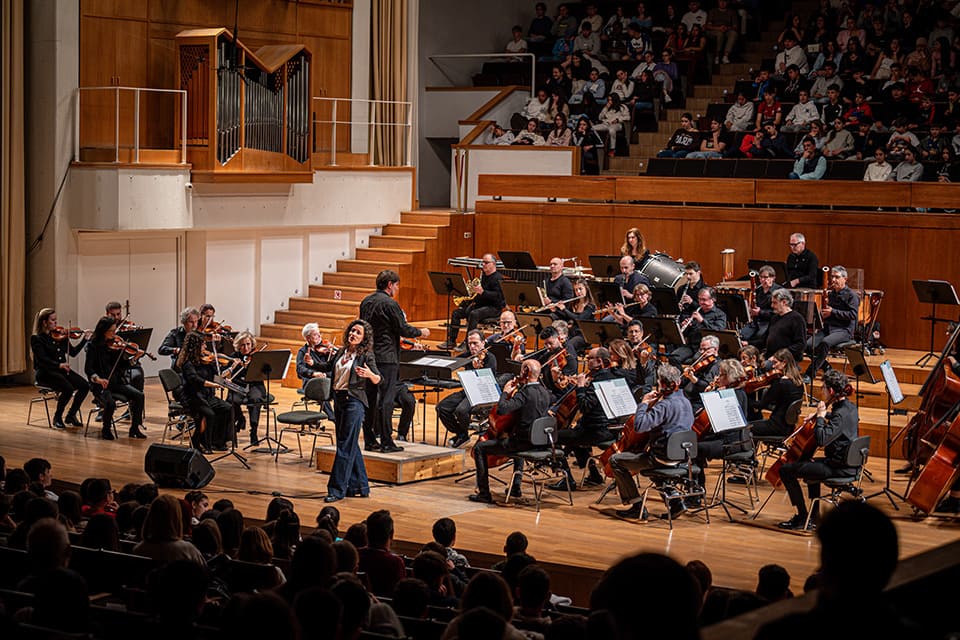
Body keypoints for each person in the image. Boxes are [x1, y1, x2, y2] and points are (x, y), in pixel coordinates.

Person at [609, 364, 695, 520]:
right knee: (653, 460)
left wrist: (643, 403)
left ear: (661, 384)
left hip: (661, 459)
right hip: (682, 458)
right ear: (678, 383)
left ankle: (636, 506)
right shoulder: (686, 402)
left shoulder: (664, 405)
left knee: (616, 460)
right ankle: (675, 503)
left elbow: (640, 426)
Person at [777, 369, 859, 530]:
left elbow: (822, 439)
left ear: (831, 391)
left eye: (823, 388)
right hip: (844, 462)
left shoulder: (840, 414)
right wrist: (822, 415)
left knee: (786, 470)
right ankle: (814, 517)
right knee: (808, 465)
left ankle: (802, 517)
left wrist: (820, 417)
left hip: (838, 467)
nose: (821, 390)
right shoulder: (850, 407)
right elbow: (839, 422)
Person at [361, 270, 429, 453]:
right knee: (386, 400)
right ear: (390, 285)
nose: (397, 289)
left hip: (369, 356)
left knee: (370, 399)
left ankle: (369, 440)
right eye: (397, 285)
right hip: (387, 358)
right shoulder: (390, 303)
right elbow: (402, 328)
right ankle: (386, 442)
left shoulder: (366, 301)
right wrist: (420, 332)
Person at [469, 359, 551, 504]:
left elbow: (502, 409)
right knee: (517, 436)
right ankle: (516, 486)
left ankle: (484, 493)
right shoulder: (544, 392)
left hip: (524, 443)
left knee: (479, 448)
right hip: (540, 442)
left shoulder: (525, 393)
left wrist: (505, 393)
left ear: (525, 372)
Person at [322, 320, 381, 502]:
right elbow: (328, 368)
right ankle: (361, 486)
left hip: (354, 402)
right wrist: (312, 363)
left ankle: (336, 490)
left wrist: (369, 375)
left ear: (364, 338)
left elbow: (379, 378)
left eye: (358, 332)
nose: (353, 334)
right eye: (352, 330)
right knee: (349, 443)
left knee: (345, 446)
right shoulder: (341, 352)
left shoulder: (366, 356)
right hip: (339, 401)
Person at [550, 347, 622, 490]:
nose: (587, 361)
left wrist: (581, 387)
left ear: (600, 361)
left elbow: (584, 406)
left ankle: (567, 480)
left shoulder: (597, 381)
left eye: (590, 358)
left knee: (552, 436)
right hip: (611, 430)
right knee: (575, 436)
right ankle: (595, 475)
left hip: (595, 431)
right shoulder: (612, 377)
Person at [84, 315, 147, 440]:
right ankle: (106, 429)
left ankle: (134, 428)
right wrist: (98, 379)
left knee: (139, 395)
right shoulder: (92, 346)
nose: (114, 334)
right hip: (100, 385)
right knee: (110, 403)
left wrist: (134, 358)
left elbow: (122, 365)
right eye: (111, 331)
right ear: (103, 331)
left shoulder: (115, 345)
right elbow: (88, 369)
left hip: (116, 382)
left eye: (114, 330)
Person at [30, 308, 90, 430]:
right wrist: (59, 365)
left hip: (60, 371)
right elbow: (42, 360)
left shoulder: (61, 336)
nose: (56, 323)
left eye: (56, 320)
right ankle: (57, 417)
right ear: (44, 322)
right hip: (45, 372)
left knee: (84, 386)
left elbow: (73, 353)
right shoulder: (37, 338)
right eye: (53, 320)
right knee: (68, 389)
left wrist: (85, 340)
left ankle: (71, 415)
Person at [437, 330, 497, 448]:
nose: (472, 346)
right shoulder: (467, 355)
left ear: (483, 343)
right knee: (442, 407)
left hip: (482, 392)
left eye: (475, 343)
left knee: (461, 410)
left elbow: (488, 381)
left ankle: (463, 435)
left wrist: (478, 369)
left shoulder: (490, 358)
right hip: (467, 390)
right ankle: (461, 433)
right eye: (470, 344)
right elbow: (453, 363)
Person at [174, 331, 233, 452]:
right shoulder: (187, 363)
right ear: (195, 347)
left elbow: (217, 375)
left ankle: (217, 441)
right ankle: (199, 442)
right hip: (192, 397)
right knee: (208, 414)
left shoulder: (206, 361)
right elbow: (195, 380)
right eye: (203, 345)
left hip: (207, 395)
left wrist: (230, 370)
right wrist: (213, 384)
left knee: (227, 408)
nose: (206, 347)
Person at [804, 266, 860, 381]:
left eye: (837, 277)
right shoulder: (831, 294)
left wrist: (833, 312)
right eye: (832, 277)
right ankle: (827, 367)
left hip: (844, 330)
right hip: (828, 328)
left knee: (825, 343)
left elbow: (853, 315)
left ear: (845, 279)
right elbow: (828, 313)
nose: (833, 280)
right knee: (808, 345)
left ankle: (810, 373)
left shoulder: (852, 295)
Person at [441, 255, 502, 351]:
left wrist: (483, 292)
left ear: (493, 264)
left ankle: (467, 342)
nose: (483, 265)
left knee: (474, 314)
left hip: (494, 308)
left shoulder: (498, 278)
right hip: (482, 306)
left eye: (486, 263)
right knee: (456, 313)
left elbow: (499, 297)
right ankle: (451, 341)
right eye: (483, 262)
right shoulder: (484, 276)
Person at [749, 349, 805, 438]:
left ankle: (751, 452)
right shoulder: (799, 382)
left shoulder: (781, 383)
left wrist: (745, 400)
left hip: (776, 426)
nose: (773, 366)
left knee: (746, 428)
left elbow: (761, 405)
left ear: (784, 363)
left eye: (775, 363)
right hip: (788, 426)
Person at [227, 331, 270, 446]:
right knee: (232, 401)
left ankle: (254, 431)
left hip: (254, 384)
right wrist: (233, 366)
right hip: (238, 385)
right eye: (242, 345)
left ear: (252, 345)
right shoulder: (234, 357)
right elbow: (226, 374)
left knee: (255, 399)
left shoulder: (257, 357)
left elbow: (264, 373)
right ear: (238, 346)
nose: (246, 347)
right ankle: (240, 419)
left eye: (248, 344)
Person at [673, 288, 727, 366]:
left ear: (713, 299)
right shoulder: (696, 311)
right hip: (692, 345)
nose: (701, 302)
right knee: (674, 357)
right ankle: (681, 377)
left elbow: (718, 331)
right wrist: (686, 326)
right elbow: (686, 334)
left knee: (695, 361)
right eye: (699, 299)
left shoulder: (720, 314)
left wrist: (702, 321)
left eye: (704, 300)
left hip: (706, 348)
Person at [295, 322, 335, 421]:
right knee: (321, 389)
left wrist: (334, 354)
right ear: (308, 338)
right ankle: (333, 418)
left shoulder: (325, 350)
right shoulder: (303, 352)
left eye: (319, 333)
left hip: (328, 380)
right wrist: (313, 374)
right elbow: (300, 369)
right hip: (311, 383)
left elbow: (332, 368)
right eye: (315, 334)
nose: (319, 336)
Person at [740, 265, 783, 348]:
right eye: (761, 277)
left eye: (766, 277)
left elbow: (778, 313)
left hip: (769, 323)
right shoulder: (758, 290)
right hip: (756, 322)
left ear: (773, 278)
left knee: (759, 336)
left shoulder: (779, 292)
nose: (763, 280)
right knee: (741, 335)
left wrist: (760, 312)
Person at [764, 289, 807, 362]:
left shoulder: (797, 319)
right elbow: (764, 339)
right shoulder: (774, 318)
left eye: (775, 303)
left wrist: (779, 356)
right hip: (771, 356)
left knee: (764, 368)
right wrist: (748, 343)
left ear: (784, 302)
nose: (772, 306)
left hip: (785, 359)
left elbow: (800, 344)